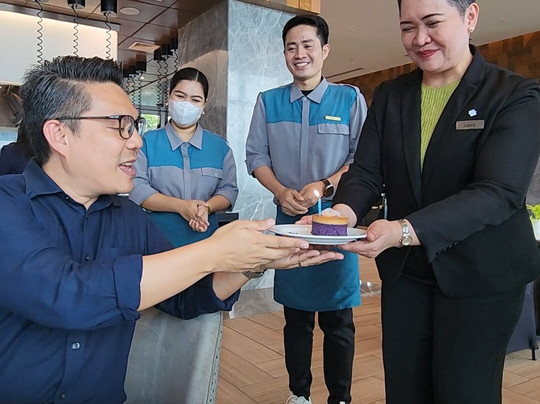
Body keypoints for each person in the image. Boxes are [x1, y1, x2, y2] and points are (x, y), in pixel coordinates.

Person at [0, 55, 343, 404]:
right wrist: (212, 251)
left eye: (134, 125)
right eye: (120, 125)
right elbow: (67, 294)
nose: (136, 141)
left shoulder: (128, 218)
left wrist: (253, 261)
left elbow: (184, 298)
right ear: (60, 135)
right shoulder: (7, 205)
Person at [317, 1, 540, 403]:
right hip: (407, 274)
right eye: (407, 27)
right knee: (405, 389)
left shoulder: (514, 94)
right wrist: (340, 213)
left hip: (482, 273)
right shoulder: (392, 95)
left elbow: (498, 191)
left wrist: (404, 230)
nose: (419, 39)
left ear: (470, 17)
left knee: (463, 392)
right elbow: (365, 172)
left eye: (433, 23)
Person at [245, 15, 368, 404]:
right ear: (284, 54)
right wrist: (281, 191)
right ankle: (299, 394)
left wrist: (324, 185)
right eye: (291, 47)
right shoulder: (268, 102)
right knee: (295, 318)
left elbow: (362, 160)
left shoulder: (349, 100)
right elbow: (256, 156)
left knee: (338, 320)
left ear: (325, 50)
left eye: (308, 45)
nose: (299, 54)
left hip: (335, 220)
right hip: (290, 221)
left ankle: (340, 398)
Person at [129, 67, 238, 402]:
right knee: (152, 332)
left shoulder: (219, 147)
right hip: (158, 248)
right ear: (168, 98)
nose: (186, 104)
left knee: (200, 331)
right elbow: (137, 189)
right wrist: (181, 207)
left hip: (206, 249)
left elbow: (229, 190)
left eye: (195, 99)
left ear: (204, 105)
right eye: (180, 96)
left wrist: (206, 207)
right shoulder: (147, 143)